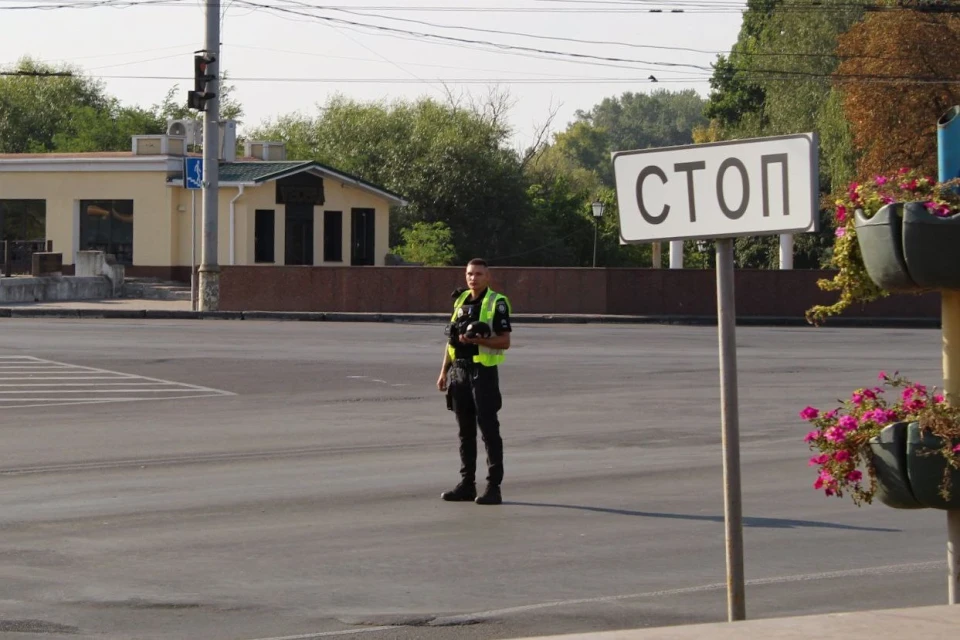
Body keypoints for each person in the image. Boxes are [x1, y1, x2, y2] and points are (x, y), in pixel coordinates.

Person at [436, 258, 512, 505]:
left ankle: (493, 487)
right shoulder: (460, 300)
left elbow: (504, 341)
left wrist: (478, 341)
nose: (473, 278)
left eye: (479, 274)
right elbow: (451, 341)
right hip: (460, 372)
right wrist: (444, 371)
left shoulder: (497, 303)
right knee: (464, 432)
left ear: (487, 276)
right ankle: (467, 485)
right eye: (470, 274)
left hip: (483, 373)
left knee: (489, 430)